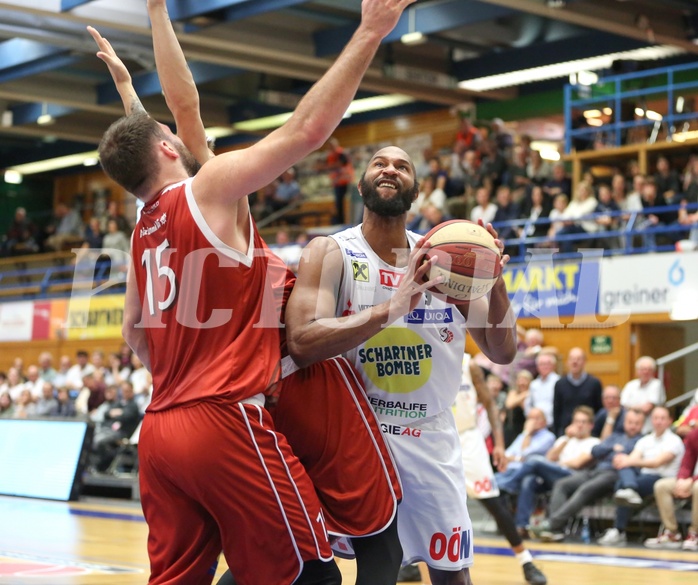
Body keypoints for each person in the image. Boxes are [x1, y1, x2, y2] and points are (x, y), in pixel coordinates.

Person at [97, 0, 417, 583]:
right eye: (173, 138)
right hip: (270, 387)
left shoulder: (141, 239)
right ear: (171, 149)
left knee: (244, 561)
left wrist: (132, 83)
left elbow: (134, 335)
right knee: (348, 551)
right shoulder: (214, 193)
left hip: (170, 422)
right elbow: (215, 117)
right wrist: (371, 30)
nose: (184, 138)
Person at [284, 145, 517, 584]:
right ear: (361, 183)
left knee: (452, 576)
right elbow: (300, 341)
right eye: (379, 162)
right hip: (356, 435)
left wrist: (494, 281)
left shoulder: (448, 259)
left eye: (403, 166)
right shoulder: (330, 252)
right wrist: (392, 307)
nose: (390, 169)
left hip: (431, 437)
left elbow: (503, 352)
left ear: (416, 191)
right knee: (320, 567)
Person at [452, 354, 548, 584]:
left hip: (468, 438)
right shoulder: (427, 357)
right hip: (439, 438)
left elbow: (490, 404)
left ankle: (526, 560)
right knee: (427, 505)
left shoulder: (469, 364)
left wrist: (500, 444)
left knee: (493, 502)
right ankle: (414, 563)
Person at [530, 409, 645, 543]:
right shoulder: (615, 436)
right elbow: (595, 450)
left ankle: (552, 524)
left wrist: (612, 451)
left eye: (637, 423)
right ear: (624, 422)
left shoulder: (642, 441)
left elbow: (624, 457)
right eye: (630, 422)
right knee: (562, 484)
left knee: (585, 489)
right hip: (594, 470)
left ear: (642, 425)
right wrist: (612, 448)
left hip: (613, 475)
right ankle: (556, 531)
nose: (632, 426)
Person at [497, 406, 598, 536]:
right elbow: (550, 457)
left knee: (534, 460)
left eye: (583, 422)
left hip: (572, 476)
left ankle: (507, 485)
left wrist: (558, 463)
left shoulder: (594, 442)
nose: (579, 425)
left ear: (591, 425)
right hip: (553, 475)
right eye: (576, 421)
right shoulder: (564, 440)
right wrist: (567, 439)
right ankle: (522, 526)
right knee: (528, 480)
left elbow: (577, 464)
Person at [597, 406, 684, 545]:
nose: (658, 421)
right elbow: (632, 457)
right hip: (644, 478)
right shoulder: (646, 440)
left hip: (663, 478)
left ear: (669, 421)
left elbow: (657, 463)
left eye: (662, 418)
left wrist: (627, 460)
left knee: (622, 484)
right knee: (625, 477)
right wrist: (624, 459)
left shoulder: (674, 440)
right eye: (656, 418)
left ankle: (619, 530)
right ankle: (629, 490)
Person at [644, 427, 698, 550]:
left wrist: (691, 481)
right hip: (690, 481)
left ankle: (695, 533)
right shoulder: (694, 435)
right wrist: (681, 480)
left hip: (694, 483)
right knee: (661, 486)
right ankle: (672, 533)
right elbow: (686, 463)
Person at [552, 347, 603, 437]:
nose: (575, 362)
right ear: (567, 362)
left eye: (578, 359)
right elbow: (557, 411)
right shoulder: (560, 384)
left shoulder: (594, 383)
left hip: (588, 433)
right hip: (565, 432)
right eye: (572, 359)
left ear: (584, 362)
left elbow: (598, 410)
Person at [620, 355, 666, 434]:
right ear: (637, 371)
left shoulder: (656, 384)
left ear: (653, 372)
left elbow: (647, 408)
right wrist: (639, 407)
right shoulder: (630, 385)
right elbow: (622, 404)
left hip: (649, 428)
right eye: (643, 369)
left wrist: (631, 407)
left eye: (649, 369)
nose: (645, 372)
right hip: (629, 426)